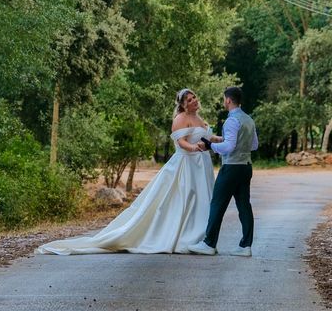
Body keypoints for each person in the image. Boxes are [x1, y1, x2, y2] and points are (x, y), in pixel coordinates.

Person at [36, 88, 221, 255]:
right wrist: (194, 148)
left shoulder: (200, 119)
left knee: (203, 200)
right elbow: (181, 143)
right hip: (186, 165)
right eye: (188, 100)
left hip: (201, 165)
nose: (193, 101)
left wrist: (220, 139)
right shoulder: (181, 119)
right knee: (187, 199)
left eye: (194, 97)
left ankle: (200, 239)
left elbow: (208, 137)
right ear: (182, 105)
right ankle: (183, 238)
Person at [188, 86, 258, 257]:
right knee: (244, 206)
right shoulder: (249, 120)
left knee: (217, 203)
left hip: (231, 167)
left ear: (228, 100)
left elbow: (228, 146)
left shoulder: (231, 121)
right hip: (246, 166)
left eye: (224, 99)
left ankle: (209, 244)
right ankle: (245, 246)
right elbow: (254, 145)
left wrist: (210, 146)